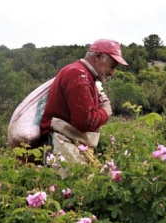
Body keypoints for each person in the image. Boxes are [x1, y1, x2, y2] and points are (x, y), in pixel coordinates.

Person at [39, 39, 128, 170]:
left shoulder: (82, 74)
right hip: (63, 145)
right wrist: (105, 112)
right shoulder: (79, 75)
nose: (112, 72)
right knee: (74, 188)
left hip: (67, 143)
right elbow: (84, 121)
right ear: (97, 57)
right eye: (112, 66)